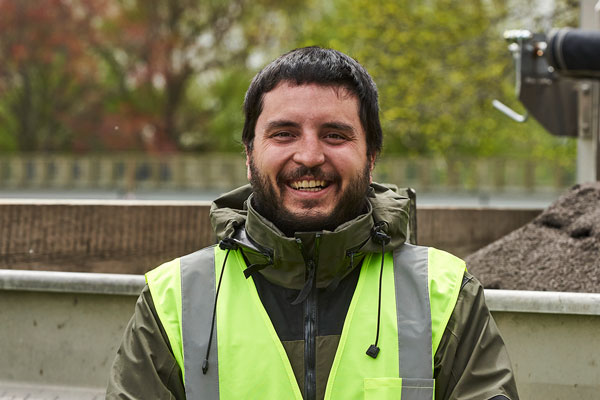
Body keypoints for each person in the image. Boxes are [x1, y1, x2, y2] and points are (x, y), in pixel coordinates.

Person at [107, 47, 519, 400]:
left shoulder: (446, 296)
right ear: (249, 156)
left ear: (371, 157)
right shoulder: (173, 302)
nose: (309, 156)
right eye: (284, 134)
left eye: (335, 135)